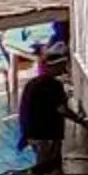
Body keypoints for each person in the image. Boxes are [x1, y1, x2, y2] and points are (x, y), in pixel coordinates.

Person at [16, 38, 73, 167]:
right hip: (46, 136)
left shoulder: (33, 83)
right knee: (48, 166)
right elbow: (61, 109)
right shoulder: (53, 85)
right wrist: (82, 121)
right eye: (63, 66)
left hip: (32, 134)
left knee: (43, 164)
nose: (64, 70)